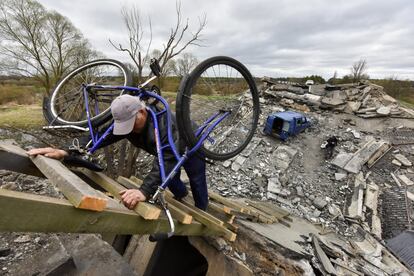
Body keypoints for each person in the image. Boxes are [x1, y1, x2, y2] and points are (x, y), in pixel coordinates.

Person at [28, 95, 209, 210]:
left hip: (190, 145)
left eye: (132, 124)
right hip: (167, 152)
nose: (128, 130)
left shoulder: (163, 127)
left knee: (196, 177)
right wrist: (65, 150)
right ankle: (181, 195)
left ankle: (202, 206)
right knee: (173, 179)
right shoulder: (127, 119)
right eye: (125, 126)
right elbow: (100, 136)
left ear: (142, 112)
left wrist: (144, 191)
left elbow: (168, 160)